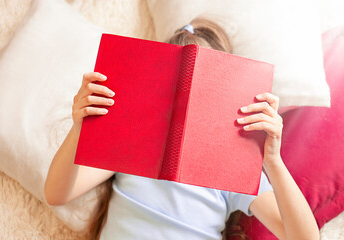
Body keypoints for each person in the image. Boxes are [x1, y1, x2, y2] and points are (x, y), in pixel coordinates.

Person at [44, 17, 320, 240]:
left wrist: (272, 161)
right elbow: (56, 194)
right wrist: (81, 127)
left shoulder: (233, 169)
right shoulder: (133, 142)